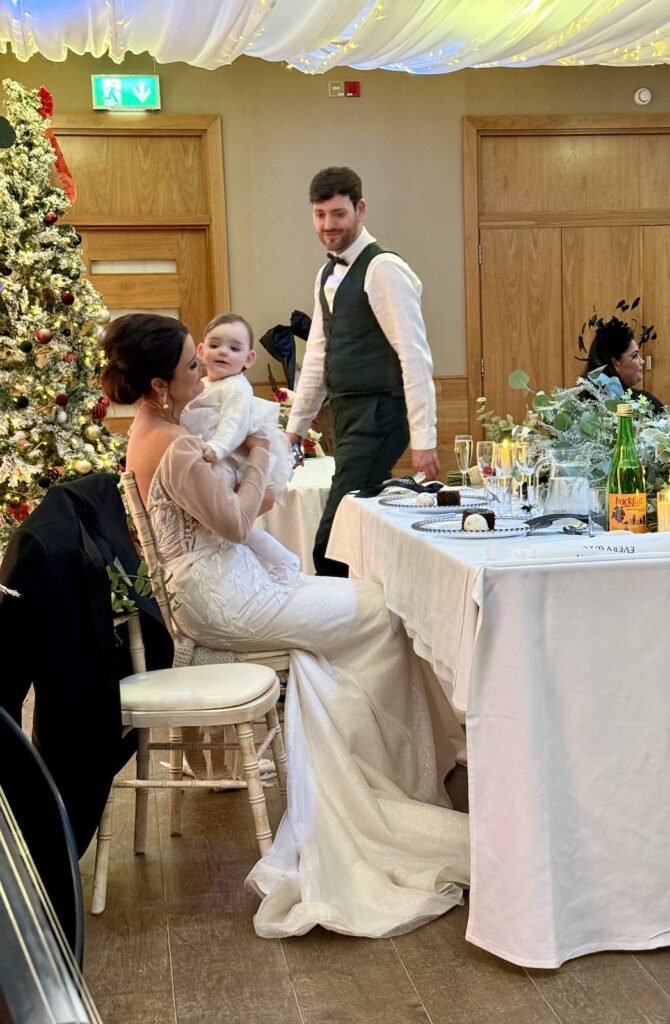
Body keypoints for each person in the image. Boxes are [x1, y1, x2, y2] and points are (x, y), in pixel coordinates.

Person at [100, 312, 469, 939]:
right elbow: (238, 524)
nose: (203, 370)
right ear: (161, 384)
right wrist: (262, 454)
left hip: (221, 584)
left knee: (363, 613)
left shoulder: (153, 428)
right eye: (191, 364)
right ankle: (386, 780)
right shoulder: (175, 444)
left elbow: (237, 511)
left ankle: (380, 764)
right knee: (386, 612)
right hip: (222, 597)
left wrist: (250, 470)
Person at [286, 166, 440, 576]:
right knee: (360, 528)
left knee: (330, 541)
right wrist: (295, 428)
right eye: (320, 215)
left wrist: (424, 440)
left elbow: (415, 356)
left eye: (338, 214)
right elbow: (317, 352)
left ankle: (334, 632)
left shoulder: (383, 268)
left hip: (381, 413)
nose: (328, 225)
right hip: (347, 414)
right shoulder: (325, 274)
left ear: (360, 209)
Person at [180, 313, 292, 502]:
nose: (223, 352)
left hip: (229, 458)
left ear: (249, 358)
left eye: (234, 348)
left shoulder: (237, 387)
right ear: (200, 351)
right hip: (202, 453)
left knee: (218, 500)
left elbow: (235, 423)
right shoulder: (203, 383)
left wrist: (217, 448)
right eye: (214, 345)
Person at [585, 317, 664, 413]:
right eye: (634, 355)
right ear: (615, 363)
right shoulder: (642, 404)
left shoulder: (580, 403)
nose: (642, 361)